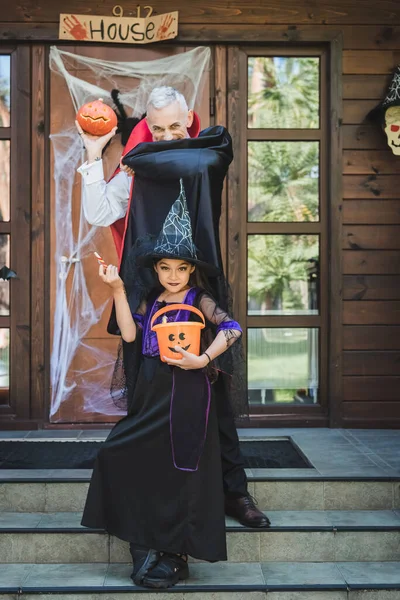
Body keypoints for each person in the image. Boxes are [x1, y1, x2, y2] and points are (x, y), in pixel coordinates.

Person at [76, 86, 270, 529]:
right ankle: (155, 496)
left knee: (213, 396)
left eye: (175, 127)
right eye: (157, 129)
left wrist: (138, 157)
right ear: (147, 125)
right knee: (149, 396)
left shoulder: (206, 155)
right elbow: (98, 212)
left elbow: (200, 153)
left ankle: (233, 492)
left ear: (191, 121)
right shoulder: (137, 167)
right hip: (147, 294)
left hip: (199, 292)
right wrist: (93, 153)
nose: (166, 137)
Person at [81, 183, 242, 588]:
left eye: (181, 268)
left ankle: (174, 551)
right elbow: (132, 337)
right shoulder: (149, 299)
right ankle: (143, 543)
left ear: (191, 270)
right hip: (152, 391)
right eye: (165, 268)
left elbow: (232, 328)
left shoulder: (199, 298)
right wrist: (117, 289)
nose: (173, 276)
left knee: (182, 469)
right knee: (117, 454)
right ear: (156, 270)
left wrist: (203, 358)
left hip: (188, 390)